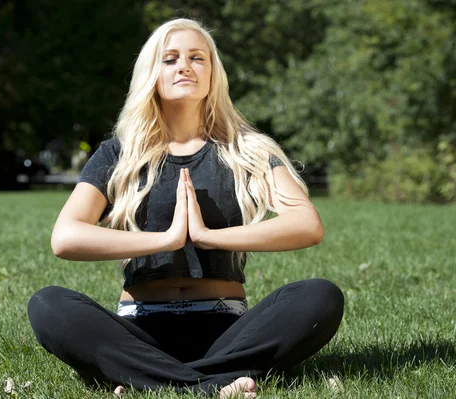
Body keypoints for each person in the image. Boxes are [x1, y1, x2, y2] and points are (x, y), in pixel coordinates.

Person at [27, 18, 344, 398]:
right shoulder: (119, 155)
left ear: (213, 73)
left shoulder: (247, 150)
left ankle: (152, 381)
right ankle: (210, 384)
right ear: (152, 73)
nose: (185, 66)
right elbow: (65, 237)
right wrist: (166, 239)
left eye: (198, 58)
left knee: (321, 295)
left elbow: (307, 224)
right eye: (170, 59)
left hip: (226, 329)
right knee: (48, 304)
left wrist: (208, 237)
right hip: (141, 330)